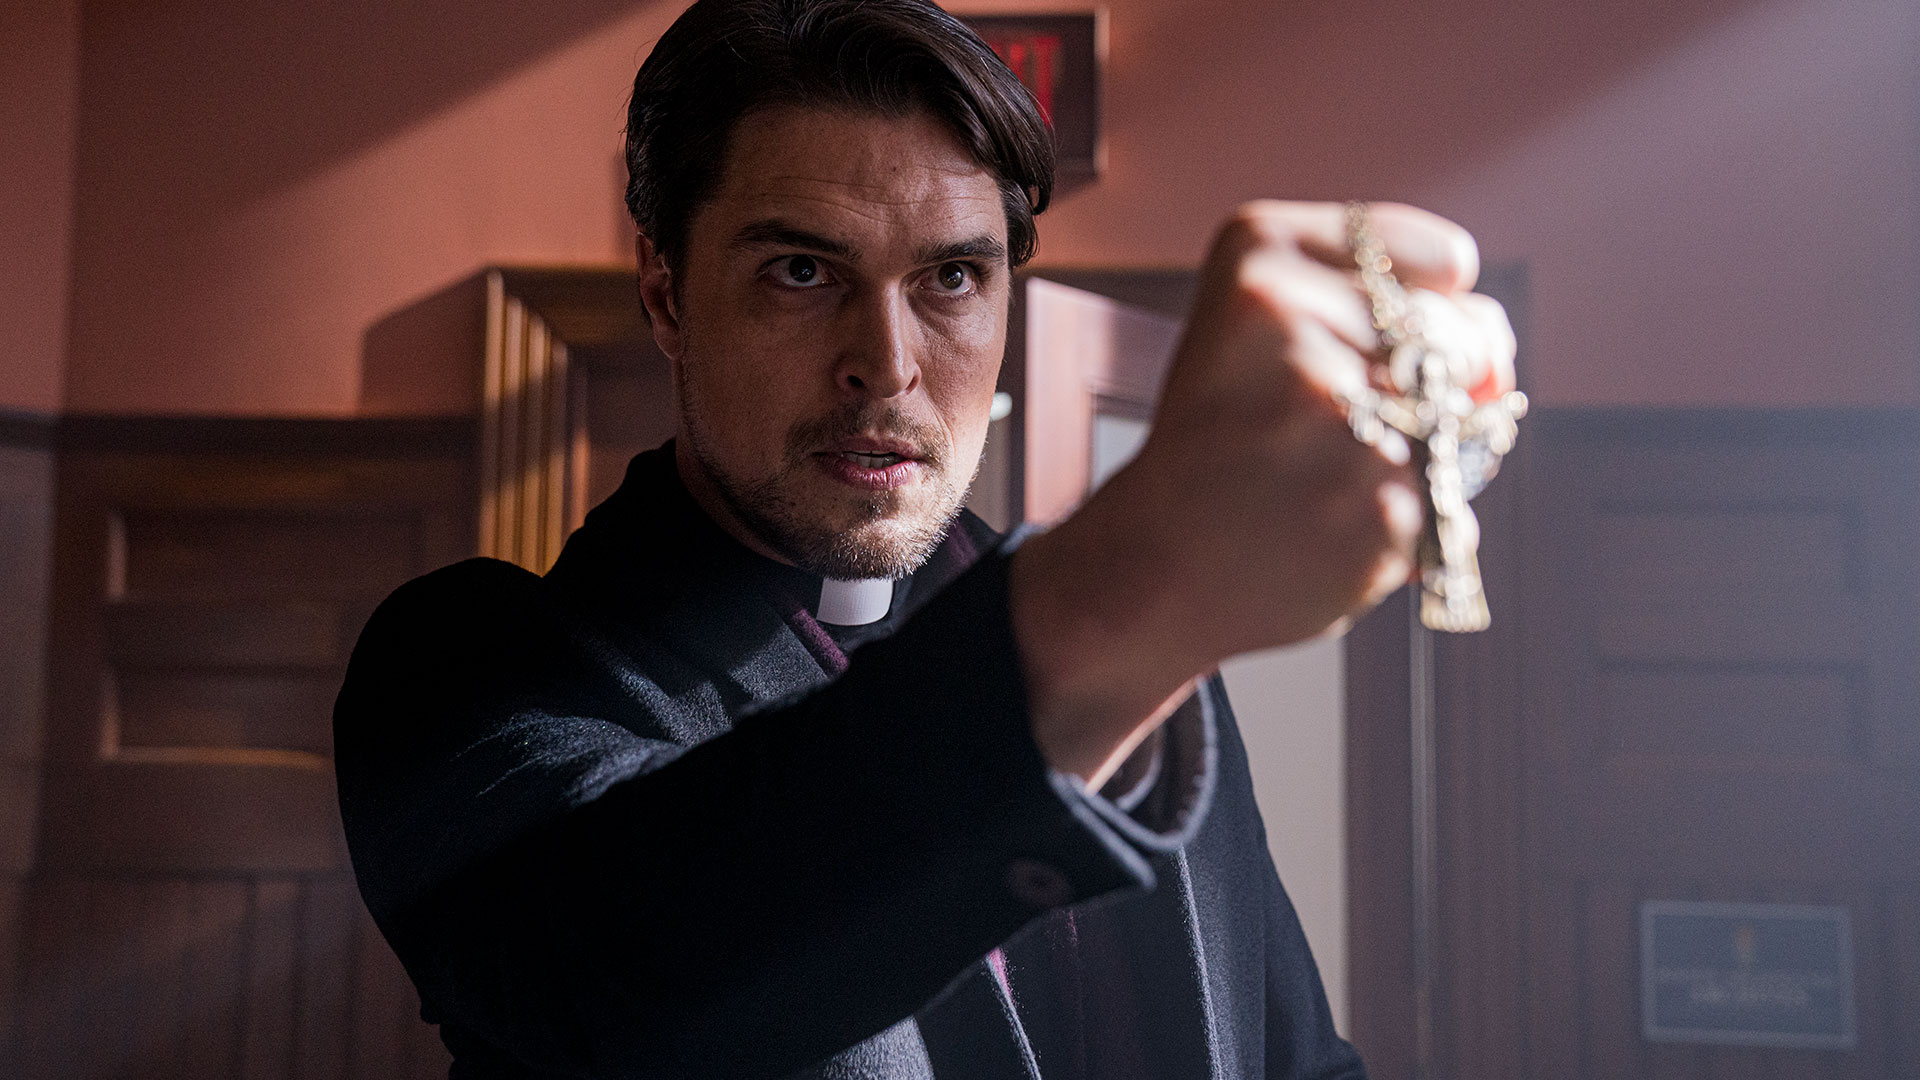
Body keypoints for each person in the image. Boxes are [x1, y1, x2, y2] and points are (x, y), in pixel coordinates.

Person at [333, 0, 1517, 1077]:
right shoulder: (469, 666)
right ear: (665, 291)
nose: (887, 365)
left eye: (951, 277)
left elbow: (1295, 1059)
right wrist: (1131, 585)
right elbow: (624, 983)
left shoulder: (1154, 682)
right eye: (803, 271)